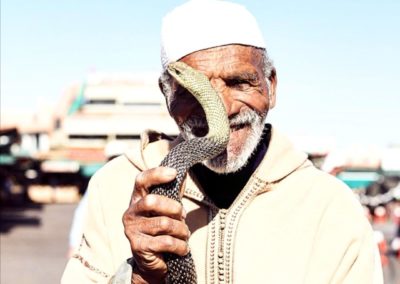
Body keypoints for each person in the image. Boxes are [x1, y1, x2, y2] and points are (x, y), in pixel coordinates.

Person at [62, 1, 383, 283]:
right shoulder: (115, 187)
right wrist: (141, 278)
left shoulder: (332, 207)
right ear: (167, 96)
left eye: (239, 82)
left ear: (271, 86)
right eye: (192, 90)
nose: (223, 109)